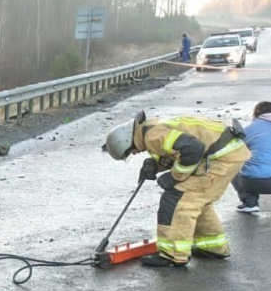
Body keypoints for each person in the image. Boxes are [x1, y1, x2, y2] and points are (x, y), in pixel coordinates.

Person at [104, 112, 250, 267]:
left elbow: (193, 149)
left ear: (126, 141)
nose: (134, 153)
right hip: (228, 154)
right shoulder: (152, 127)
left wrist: (174, 176)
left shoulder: (152, 136)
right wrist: (155, 165)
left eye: (130, 151)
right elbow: (177, 150)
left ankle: (173, 254)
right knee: (196, 201)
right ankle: (212, 247)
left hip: (221, 158)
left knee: (178, 200)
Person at [232, 101, 271, 213]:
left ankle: (250, 202)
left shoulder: (249, 130)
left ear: (256, 113)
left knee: (233, 167)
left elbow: (236, 152)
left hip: (253, 182)